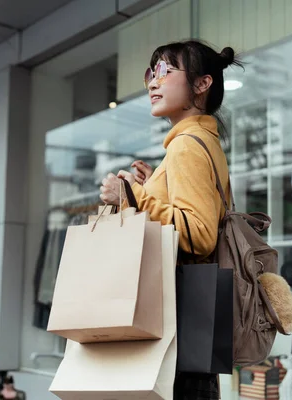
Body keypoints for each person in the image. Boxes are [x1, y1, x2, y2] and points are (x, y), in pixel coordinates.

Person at [100, 40, 241, 400]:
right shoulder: (200, 141)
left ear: (202, 84)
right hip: (192, 328)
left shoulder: (187, 144)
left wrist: (130, 196)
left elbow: (200, 235)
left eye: (165, 70)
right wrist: (153, 190)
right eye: (151, 72)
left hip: (177, 328)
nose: (152, 82)